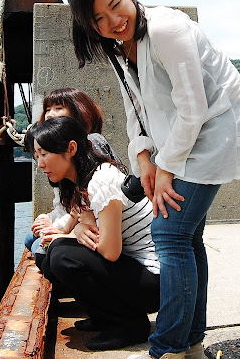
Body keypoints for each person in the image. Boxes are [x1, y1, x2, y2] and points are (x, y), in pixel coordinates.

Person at [65, 0, 240, 359]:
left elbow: (194, 106)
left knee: (169, 233)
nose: (113, 21)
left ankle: (167, 348)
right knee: (188, 237)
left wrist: (166, 167)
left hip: (217, 126)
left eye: (116, 5)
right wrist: (143, 159)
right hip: (183, 136)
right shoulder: (117, 45)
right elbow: (134, 106)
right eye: (99, 19)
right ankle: (191, 344)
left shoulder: (168, 29)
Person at [31, 116, 160, 351]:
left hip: (154, 281)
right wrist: (75, 230)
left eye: (44, 154)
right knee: (47, 257)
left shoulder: (102, 179)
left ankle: (129, 325)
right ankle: (104, 316)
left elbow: (110, 252)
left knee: (61, 255)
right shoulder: (81, 182)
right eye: (37, 156)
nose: (40, 164)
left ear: (71, 149)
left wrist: (68, 236)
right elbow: (90, 232)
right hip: (133, 271)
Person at [23, 87, 123, 257]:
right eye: (47, 109)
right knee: (32, 240)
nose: (50, 114)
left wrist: (65, 230)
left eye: (58, 108)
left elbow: (91, 207)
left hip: (100, 228)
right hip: (77, 222)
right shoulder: (61, 159)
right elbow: (71, 206)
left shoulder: (91, 145)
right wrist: (53, 221)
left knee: (44, 251)